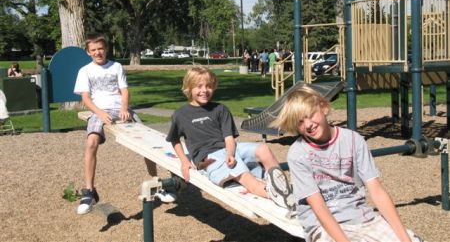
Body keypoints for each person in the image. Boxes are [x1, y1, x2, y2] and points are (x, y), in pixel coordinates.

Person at [271, 86, 425, 242]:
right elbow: (319, 207)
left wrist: (405, 239)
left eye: (310, 115)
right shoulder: (298, 153)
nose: (308, 124)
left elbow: (377, 191)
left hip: (361, 217)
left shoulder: (353, 140)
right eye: (300, 122)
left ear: (324, 108)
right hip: (323, 225)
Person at [167, 66, 294, 210]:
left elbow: (229, 138)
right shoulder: (181, 114)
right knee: (246, 177)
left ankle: (280, 184)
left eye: (209, 86)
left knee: (263, 149)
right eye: (199, 86)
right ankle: (276, 195)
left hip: (230, 149)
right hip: (208, 158)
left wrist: (230, 153)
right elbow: (174, 139)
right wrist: (184, 162)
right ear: (189, 88)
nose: (204, 90)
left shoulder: (220, 109)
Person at [74, 35, 175, 215]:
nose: (98, 52)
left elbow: (124, 90)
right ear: (88, 52)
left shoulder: (116, 66)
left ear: (106, 49)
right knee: (91, 143)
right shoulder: (85, 71)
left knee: (148, 142)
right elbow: (86, 98)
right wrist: (100, 113)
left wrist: (124, 108)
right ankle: (89, 191)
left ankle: (157, 184)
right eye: (93, 50)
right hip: (99, 110)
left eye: (100, 48)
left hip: (119, 108)